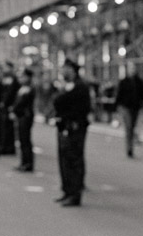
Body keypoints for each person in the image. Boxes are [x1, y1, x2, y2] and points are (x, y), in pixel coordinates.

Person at [53, 58, 91, 207]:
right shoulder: (67, 86)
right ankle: (67, 191)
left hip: (74, 128)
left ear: (72, 70)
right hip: (64, 126)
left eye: (65, 69)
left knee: (73, 160)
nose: (62, 72)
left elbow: (63, 103)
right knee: (64, 161)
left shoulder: (80, 87)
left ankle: (74, 194)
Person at [114, 61, 143, 158]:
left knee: (133, 127)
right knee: (128, 127)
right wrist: (116, 107)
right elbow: (119, 95)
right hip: (126, 107)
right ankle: (129, 148)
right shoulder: (124, 82)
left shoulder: (139, 82)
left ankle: (131, 145)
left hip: (135, 107)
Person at [11, 67, 36, 171]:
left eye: (23, 76)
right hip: (21, 116)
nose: (21, 78)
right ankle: (24, 162)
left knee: (25, 140)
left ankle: (28, 163)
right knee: (21, 140)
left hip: (25, 116)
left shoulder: (29, 88)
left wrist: (15, 110)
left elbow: (22, 104)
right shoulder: (23, 88)